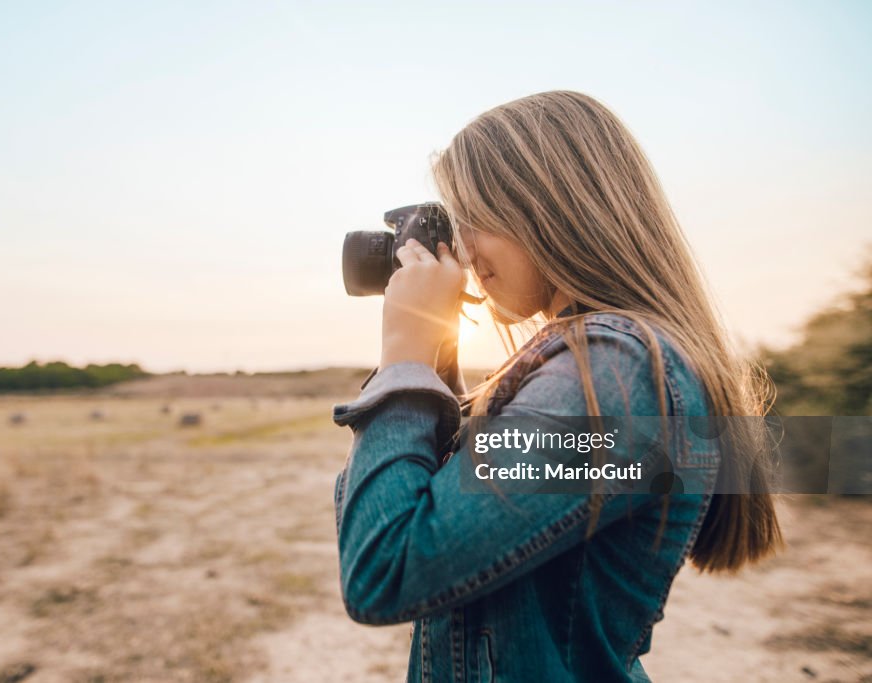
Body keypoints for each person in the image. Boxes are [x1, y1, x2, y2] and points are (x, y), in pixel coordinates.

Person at [331, 91, 783, 682]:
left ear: (545, 207)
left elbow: (386, 568)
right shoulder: (600, 365)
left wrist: (403, 358)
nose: (462, 247)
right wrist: (433, 352)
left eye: (473, 216)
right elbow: (444, 501)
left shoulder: (616, 374)